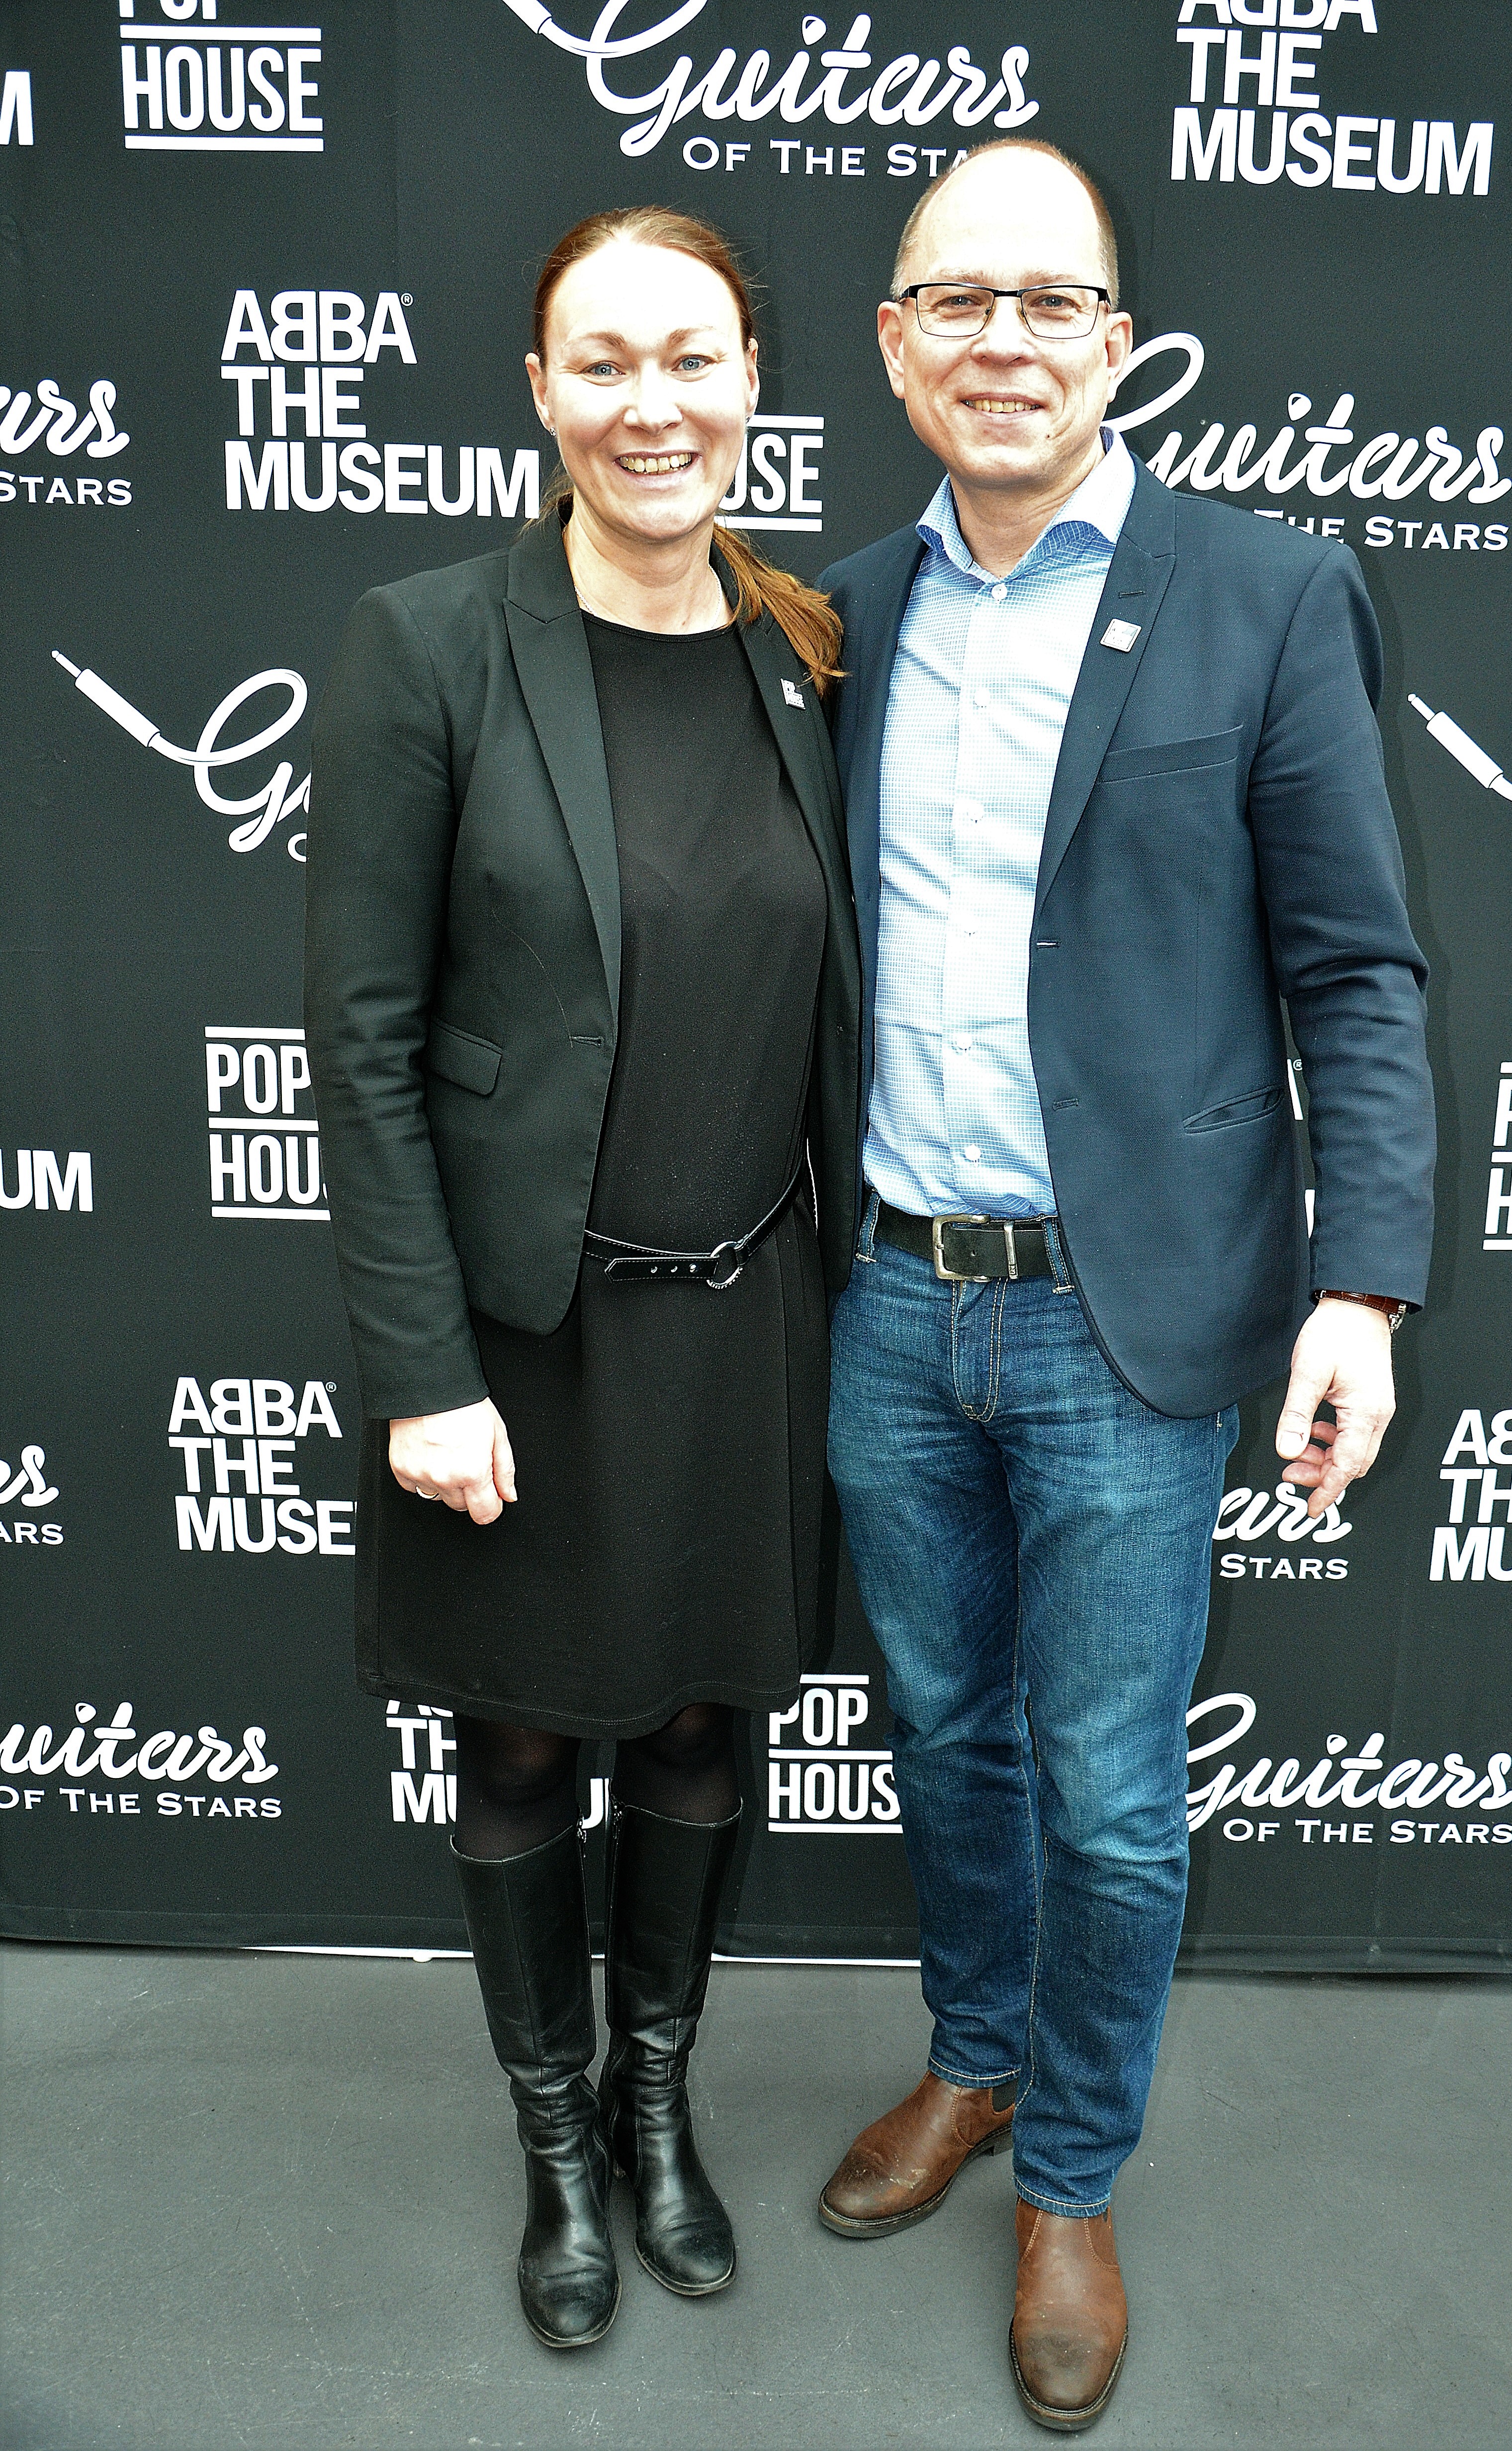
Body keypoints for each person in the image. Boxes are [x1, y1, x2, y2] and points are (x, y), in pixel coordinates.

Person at [814, 140, 1434, 2432]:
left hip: (1130, 1319)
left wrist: (1362, 1288)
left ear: (1118, 342)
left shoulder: (1266, 589)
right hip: (892, 1298)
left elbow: (1357, 968)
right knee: (944, 1736)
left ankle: (1069, 2171)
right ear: (896, 347)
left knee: (1106, 1792)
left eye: (1050, 301)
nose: (1005, 340)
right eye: (957, 301)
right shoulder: (842, 612)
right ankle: (976, 2056)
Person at [303, 206, 858, 2353]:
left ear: (752, 381)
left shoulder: (806, 651)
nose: (654, 403)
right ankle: (555, 2146)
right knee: (529, 1741)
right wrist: (421, 1368)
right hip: (520, 1342)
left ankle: (654, 2106)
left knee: (709, 1721)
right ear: (541, 392)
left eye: (693, 356)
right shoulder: (430, 642)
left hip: (747, 1316)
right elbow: (364, 1041)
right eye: (604, 360)